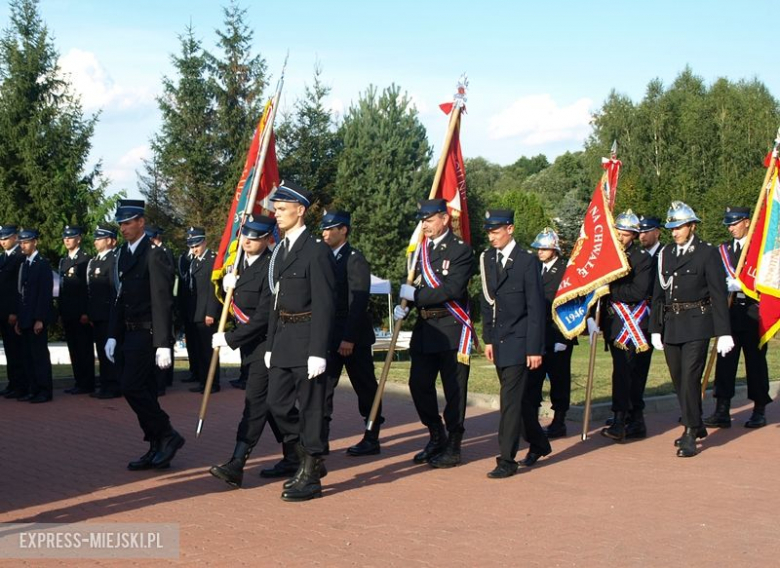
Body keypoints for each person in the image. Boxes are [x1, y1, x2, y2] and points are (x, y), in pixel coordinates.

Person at [209, 216, 298, 488]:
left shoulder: (272, 267)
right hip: (250, 347)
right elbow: (234, 304)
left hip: (267, 345)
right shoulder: (238, 265)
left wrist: (230, 338)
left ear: (268, 239)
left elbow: (263, 316)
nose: (247, 241)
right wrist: (227, 286)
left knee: (255, 403)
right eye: (244, 235)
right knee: (273, 405)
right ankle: (298, 453)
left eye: (254, 237)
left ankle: (237, 463)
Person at [264, 181, 336, 502]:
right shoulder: (281, 250)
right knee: (276, 405)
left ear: (300, 210)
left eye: (282, 209)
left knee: (311, 409)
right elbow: (275, 302)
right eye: (276, 209)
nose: (277, 214)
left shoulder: (316, 250)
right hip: (283, 339)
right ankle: (308, 456)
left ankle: (310, 472)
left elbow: (324, 303)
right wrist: (270, 344)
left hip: (307, 340)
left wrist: (318, 351)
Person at [105, 199, 184, 470]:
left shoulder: (154, 254)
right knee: (146, 390)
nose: (123, 228)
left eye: (128, 222)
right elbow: (120, 298)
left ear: (141, 222)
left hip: (148, 333)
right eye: (120, 224)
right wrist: (112, 334)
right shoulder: (123, 254)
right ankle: (156, 445)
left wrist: (163, 343)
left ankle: (167, 434)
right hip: (129, 333)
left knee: (131, 386)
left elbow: (163, 301)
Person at [649, 201, 732, 457]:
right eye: (672, 228)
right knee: (678, 379)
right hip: (672, 325)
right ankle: (696, 423)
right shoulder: (666, 253)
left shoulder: (707, 253)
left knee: (690, 379)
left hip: (697, 323)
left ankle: (689, 432)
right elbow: (658, 294)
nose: (675, 232)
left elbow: (718, 294)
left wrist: (724, 331)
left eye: (680, 227)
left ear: (692, 226)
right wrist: (655, 328)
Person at [395, 198, 474, 468]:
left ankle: (454, 444)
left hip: (451, 328)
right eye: (422, 221)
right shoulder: (419, 251)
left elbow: (452, 289)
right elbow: (410, 283)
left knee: (454, 391)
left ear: (444, 218)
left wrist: (415, 296)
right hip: (425, 329)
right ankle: (436, 433)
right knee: (418, 385)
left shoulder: (460, 250)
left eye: (429, 220)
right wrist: (403, 305)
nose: (425, 226)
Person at [478, 210, 547, 478]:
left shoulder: (527, 261)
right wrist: (488, 338)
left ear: (510, 229)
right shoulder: (488, 259)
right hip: (499, 341)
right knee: (520, 401)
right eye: (489, 232)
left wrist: (534, 348)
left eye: (495, 231)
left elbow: (535, 308)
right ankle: (539, 443)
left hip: (520, 342)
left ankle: (506, 460)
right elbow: (487, 302)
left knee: (509, 403)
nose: (491, 237)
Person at [320, 210, 384, 456]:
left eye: (330, 229)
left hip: (353, 337)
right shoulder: (323, 257)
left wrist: (349, 338)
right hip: (329, 335)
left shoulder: (354, 259)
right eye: (323, 229)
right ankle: (320, 440)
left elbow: (358, 302)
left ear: (343, 230)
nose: (325, 233)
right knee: (323, 387)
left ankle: (372, 436)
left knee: (365, 388)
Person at [704, 206, 772, 429]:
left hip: (754, 314)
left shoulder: (759, 251)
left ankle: (759, 409)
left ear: (746, 222)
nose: (731, 228)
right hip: (729, 314)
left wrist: (744, 286)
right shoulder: (722, 250)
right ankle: (722, 410)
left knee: (756, 364)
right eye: (728, 225)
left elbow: (769, 279)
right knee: (725, 362)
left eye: (734, 223)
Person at [597, 210, 653, 442]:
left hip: (634, 322)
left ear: (634, 235)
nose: (620, 237)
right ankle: (632, 418)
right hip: (614, 322)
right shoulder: (607, 255)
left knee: (630, 373)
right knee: (622, 372)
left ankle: (623, 419)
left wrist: (611, 290)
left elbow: (639, 291)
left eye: (625, 234)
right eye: (618, 233)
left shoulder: (641, 258)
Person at [528, 227, 575, 439]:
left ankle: (559, 421)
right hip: (537, 333)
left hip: (558, 331)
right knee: (534, 379)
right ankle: (532, 420)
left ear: (554, 250)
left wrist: (565, 337)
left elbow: (571, 305)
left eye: (544, 249)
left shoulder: (565, 270)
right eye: (538, 248)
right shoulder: (534, 267)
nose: (540, 252)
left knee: (559, 380)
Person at [14, 229, 54, 403]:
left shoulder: (42, 264)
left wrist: (40, 319)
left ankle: (44, 390)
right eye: (21, 243)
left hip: (36, 318)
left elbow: (44, 294)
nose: (23, 246)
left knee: (39, 357)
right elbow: (21, 293)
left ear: (35, 242)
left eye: (26, 242)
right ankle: (33, 389)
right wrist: (19, 319)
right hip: (25, 317)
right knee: (28, 357)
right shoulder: (25, 264)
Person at [183, 227, 221, 394]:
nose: (194, 249)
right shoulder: (194, 261)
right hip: (195, 312)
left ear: (204, 242)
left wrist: (211, 313)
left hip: (206, 313)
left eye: (196, 245)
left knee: (208, 351)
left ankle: (212, 383)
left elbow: (214, 290)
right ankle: (203, 380)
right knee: (199, 350)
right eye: (191, 246)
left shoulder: (212, 261)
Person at [59, 225, 95, 394]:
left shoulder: (85, 259)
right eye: (65, 238)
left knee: (84, 349)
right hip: (68, 312)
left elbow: (88, 288)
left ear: (78, 239)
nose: (67, 240)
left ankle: (87, 383)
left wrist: (86, 311)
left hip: (81, 313)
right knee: (73, 349)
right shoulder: (64, 261)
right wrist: (61, 312)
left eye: (71, 237)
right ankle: (78, 381)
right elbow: (63, 289)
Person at [87, 224, 120, 399]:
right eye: (96, 239)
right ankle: (105, 384)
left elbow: (114, 289)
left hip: (109, 314)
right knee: (101, 350)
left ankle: (113, 386)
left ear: (110, 241)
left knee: (111, 351)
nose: (96, 242)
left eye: (99, 239)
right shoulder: (95, 261)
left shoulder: (113, 260)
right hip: (98, 314)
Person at [145, 225, 175, 395]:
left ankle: (161, 383)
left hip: (160, 306)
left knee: (161, 347)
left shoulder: (161, 253)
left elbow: (165, 284)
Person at [0, 225, 26, 399]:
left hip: (12, 312)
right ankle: (12, 383)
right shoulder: (2, 258)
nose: (2, 242)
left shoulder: (20, 257)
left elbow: (18, 289)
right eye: (1, 239)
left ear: (15, 238)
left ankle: (20, 385)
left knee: (17, 351)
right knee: (9, 350)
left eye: (6, 238)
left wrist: (14, 312)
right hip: (2, 311)